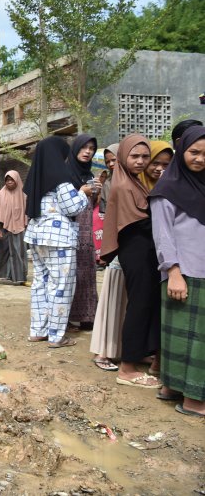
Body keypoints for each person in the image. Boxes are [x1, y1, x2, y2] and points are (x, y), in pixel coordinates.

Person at [149, 125, 205, 416]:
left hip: (202, 271)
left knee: (184, 335)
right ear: (182, 151)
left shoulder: (201, 185)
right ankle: (195, 400)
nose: (199, 159)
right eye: (194, 152)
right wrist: (173, 271)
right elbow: (163, 234)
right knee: (193, 339)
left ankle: (171, 387)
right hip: (182, 272)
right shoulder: (167, 189)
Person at [101, 135, 161, 388]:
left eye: (145, 157)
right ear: (124, 156)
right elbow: (139, 222)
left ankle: (139, 355)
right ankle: (127, 369)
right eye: (134, 156)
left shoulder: (135, 181)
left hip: (141, 249)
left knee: (144, 303)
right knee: (139, 304)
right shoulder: (123, 185)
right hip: (135, 249)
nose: (140, 161)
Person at [23, 136, 93, 348]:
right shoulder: (61, 178)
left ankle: (38, 330)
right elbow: (72, 208)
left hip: (36, 237)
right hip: (59, 239)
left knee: (40, 285)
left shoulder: (35, 177)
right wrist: (83, 193)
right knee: (61, 286)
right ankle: (56, 336)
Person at [90, 143, 126, 371]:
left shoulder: (139, 181)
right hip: (118, 250)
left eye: (116, 159)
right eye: (109, 161)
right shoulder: (109, 185)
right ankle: (104, 350)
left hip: (138, 251)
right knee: (113, 298)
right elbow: (105, 217)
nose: (112, 164)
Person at [67, 134, 102, 331]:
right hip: (71, 231)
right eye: (83, 147)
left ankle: (88, 316)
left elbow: (93, 204)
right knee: (70, 273)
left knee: (87, 273)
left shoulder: (90, 175)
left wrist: (96, 192)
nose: (87, 151)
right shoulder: (64, 174)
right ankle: (67, 317)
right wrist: (81, 191)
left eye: (91, 148)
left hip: (86, 233)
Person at [0, 170, 28, 286]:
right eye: (7, 180)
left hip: (19, 227)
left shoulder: (23, 195)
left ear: (17, 181)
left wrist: (26, 226)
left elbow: (26, 213)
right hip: (3, 227)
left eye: (12, 180)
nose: (9, 182)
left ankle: (21, 278)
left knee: (19, 253)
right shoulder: (1, 194)